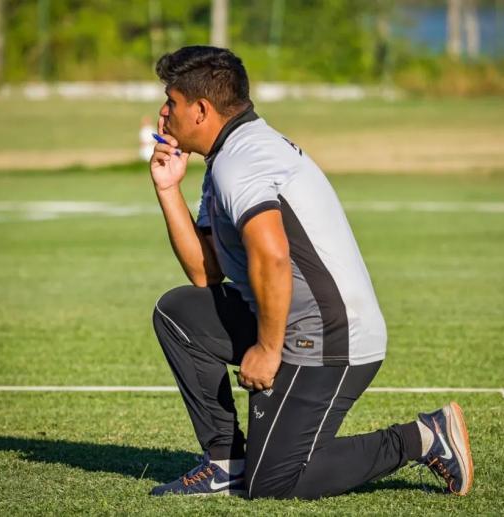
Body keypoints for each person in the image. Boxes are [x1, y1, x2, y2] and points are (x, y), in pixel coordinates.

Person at [148, 45, 473, 500]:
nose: (164, 113)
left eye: (172, 101)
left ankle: (421, 437)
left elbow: (272, 254)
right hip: (294, 321)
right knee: (180, 312)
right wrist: (167, 190)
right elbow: (207, 274)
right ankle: (225, 462)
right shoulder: (229, 154)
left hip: (331, 335)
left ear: (201, 110)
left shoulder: (243, 161)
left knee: (274, 483)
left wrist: (266, 347)